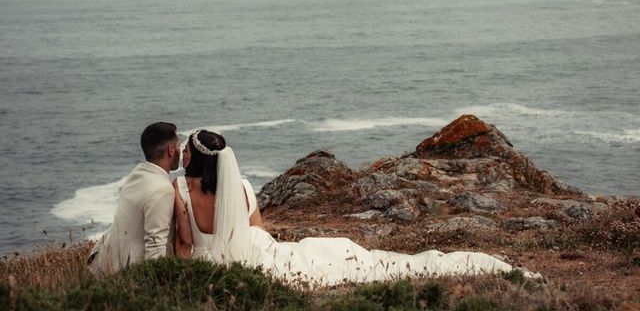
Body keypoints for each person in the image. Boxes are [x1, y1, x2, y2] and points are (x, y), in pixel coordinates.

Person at [173, 129, 533, 288]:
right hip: (254, 252)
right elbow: (259, 232)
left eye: (186, 149)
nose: (182, 155)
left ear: (197, 159)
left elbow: (183, 242)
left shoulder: (180, 190)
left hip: (210, 261)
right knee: (347, 258)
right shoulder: (242, 188)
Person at [87, 122, 181, 276]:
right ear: (171, 150)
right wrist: (159, 288)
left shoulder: (138, 172)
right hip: (126, 273)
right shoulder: (163, 190)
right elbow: (156, 245)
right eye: (179, 145)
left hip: (105, 260)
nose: (180, 150)